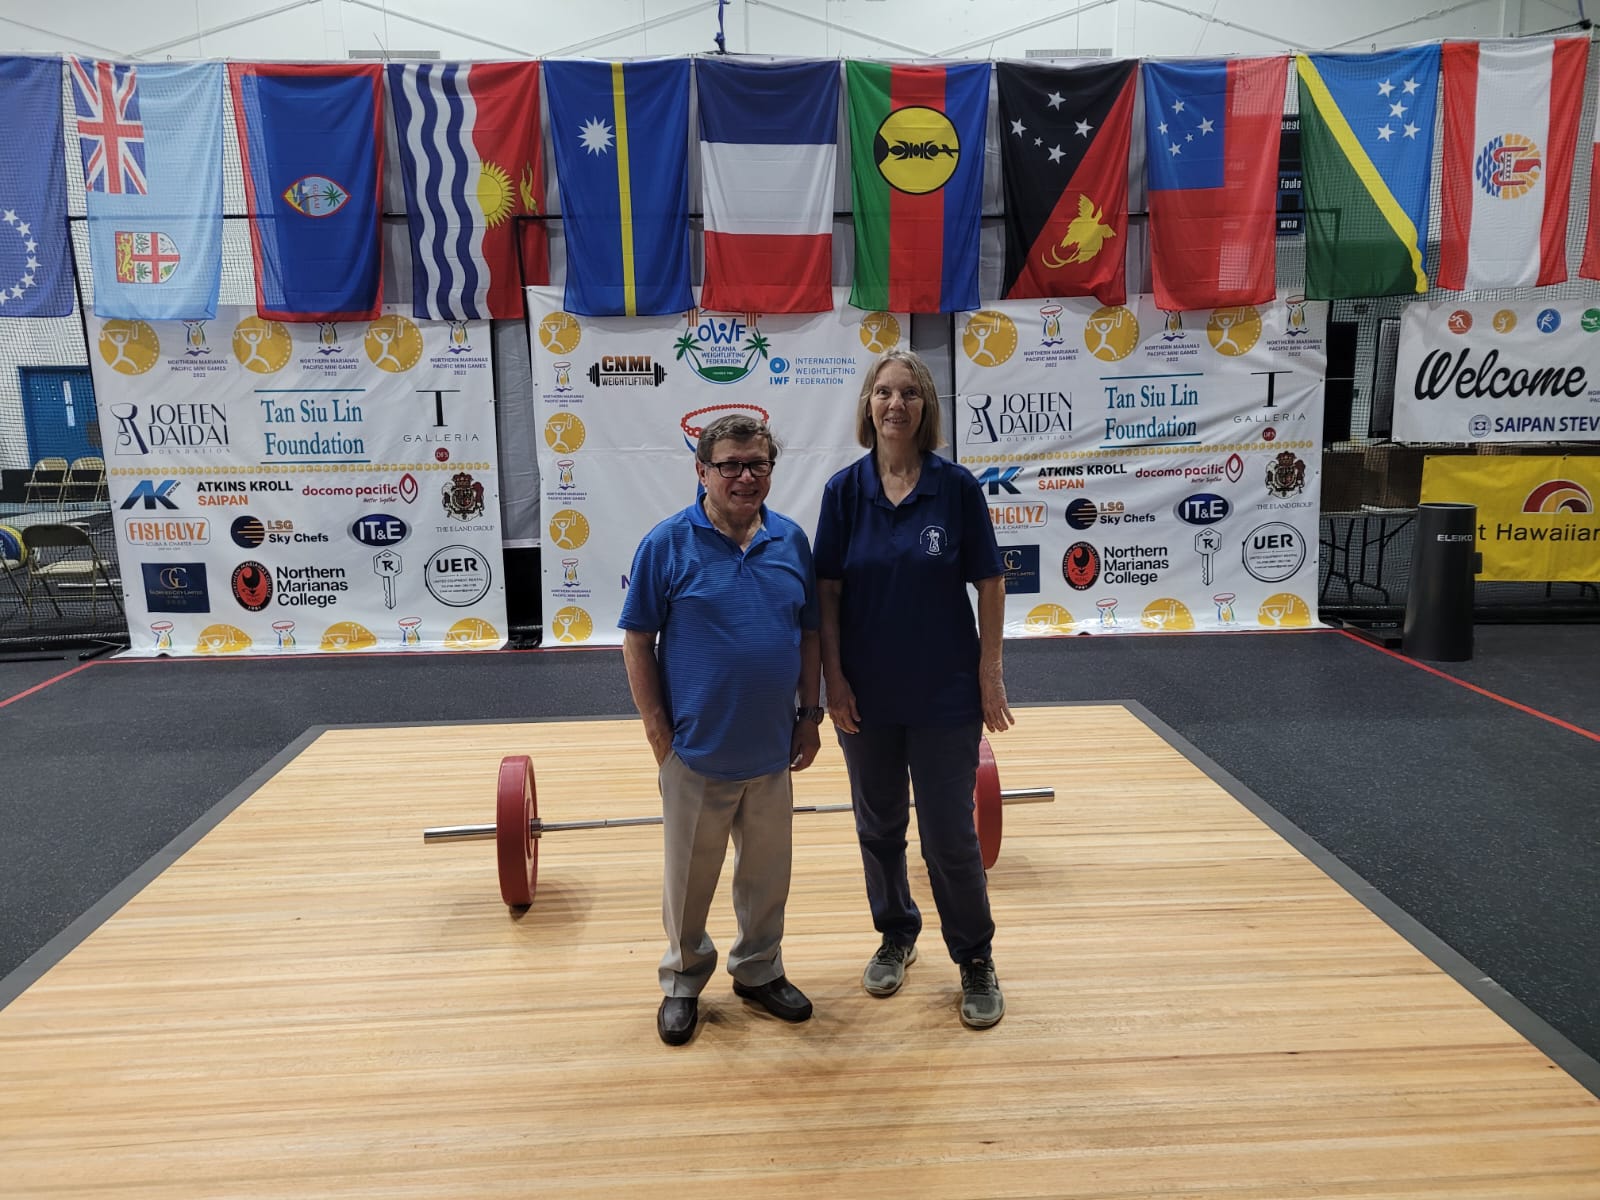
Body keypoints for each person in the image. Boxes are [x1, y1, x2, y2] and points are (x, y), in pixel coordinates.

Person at [813, 348, 1014, 1030]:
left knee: (949, 837)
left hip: (945, 694)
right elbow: (828, 594)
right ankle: (896, 933)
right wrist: (832, 679)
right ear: (868, 406)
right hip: (865, 695)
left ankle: (975, 958)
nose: (894, 403)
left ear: (925, 408)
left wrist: (990, 674)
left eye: (908, 393)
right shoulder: (844, 492)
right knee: (879, 828)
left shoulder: (956, 488)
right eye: (883, 392)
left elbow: (990, 582)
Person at [619, 413, 823, 1046]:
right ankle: (682, 980)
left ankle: (759, 970)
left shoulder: (791, 542)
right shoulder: (666, 544)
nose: (744, 477)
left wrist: (810, 715)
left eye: (757, 464)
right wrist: (658, 732)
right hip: (696, 752)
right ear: (701, 471)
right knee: (688, 882)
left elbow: (810, 632)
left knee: (768, 879)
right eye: (730, 465)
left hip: (770, 750)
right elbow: (637, 638)